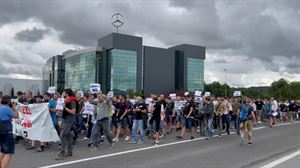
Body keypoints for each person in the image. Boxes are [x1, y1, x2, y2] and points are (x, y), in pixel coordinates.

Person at [56, 89, 77, 160]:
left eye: (63, 92)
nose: (62, 94)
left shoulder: (72, 101)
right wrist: (61, 112)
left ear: (67, 94)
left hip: (68, 120)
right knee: (67, 136)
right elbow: (66, 110)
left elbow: (73, 112)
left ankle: (62, 152)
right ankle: (70, 152)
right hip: (65, 119)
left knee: (62, 136)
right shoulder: (67, 101)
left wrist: (65, 107)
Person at [0, 95, 19, 168]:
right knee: (8, 153)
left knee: (2, 150)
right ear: (9, 102)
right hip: (6, 133)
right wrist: (14, 108)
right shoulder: (7, 109)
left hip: (1, 132)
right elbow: (17, 116)